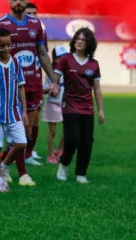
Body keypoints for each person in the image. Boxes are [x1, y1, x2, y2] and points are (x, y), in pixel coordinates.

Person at [0, 0, 59, 187]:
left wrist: (54, 80)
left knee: (28, 131)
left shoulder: (36, 25)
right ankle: (22, 173)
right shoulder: (1, 26)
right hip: (10, 88)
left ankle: (5, 165)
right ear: (8, 0)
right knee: (20, 129)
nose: (18, 2)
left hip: (33, 84)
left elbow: (42, 54)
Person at [54, 28, 105, 184]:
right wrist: (54, 86)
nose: (79, 41)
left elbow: (96, 87)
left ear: (89, 43)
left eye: (83, 39)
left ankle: (81, 174)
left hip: (87, 108)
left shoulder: (94, 64)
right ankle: (63, 164)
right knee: (72, 139)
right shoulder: (65, 59)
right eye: (77, 38)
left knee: (86, 142)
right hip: (69, 105)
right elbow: (55, 79)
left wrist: (101, 110)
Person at [0, 28, 28, 193]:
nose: (5, 48)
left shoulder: (16, 63)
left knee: (21, 143)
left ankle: (4, 166)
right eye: (2, 45)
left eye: (8, 45)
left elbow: (21, 87)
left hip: (14, 112)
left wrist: (24, 110)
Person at [23, 1, 44, 165]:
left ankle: (28, 152)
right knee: (20, 121)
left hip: (36, 83)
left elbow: (43, 57)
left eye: (34, 13)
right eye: (29, 12)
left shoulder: (40, 31)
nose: (32, 16)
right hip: (20, 83)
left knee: (35, 119)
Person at [44, 45, 68, 163]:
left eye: (64, 57)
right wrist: (51, 90)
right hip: (53, 104)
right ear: (54, 59)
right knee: (52, 131)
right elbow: (44, 89)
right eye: (60, 57)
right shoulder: (51, 72)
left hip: (65, 103)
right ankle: (50, 155)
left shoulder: (68, 70)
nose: (63, 59)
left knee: (67, 128)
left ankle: (60, 149)